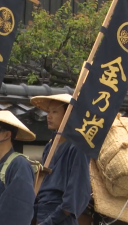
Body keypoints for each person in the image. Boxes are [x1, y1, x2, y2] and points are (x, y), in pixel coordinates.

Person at [30, 94, 91, 225]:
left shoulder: (78, 148)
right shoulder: (49, 148)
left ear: (68, 115)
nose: (49, 116)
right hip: (42, 214)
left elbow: (75, 195)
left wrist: (50, 222)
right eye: (48, 111)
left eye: (55, 111)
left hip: (62, 218)